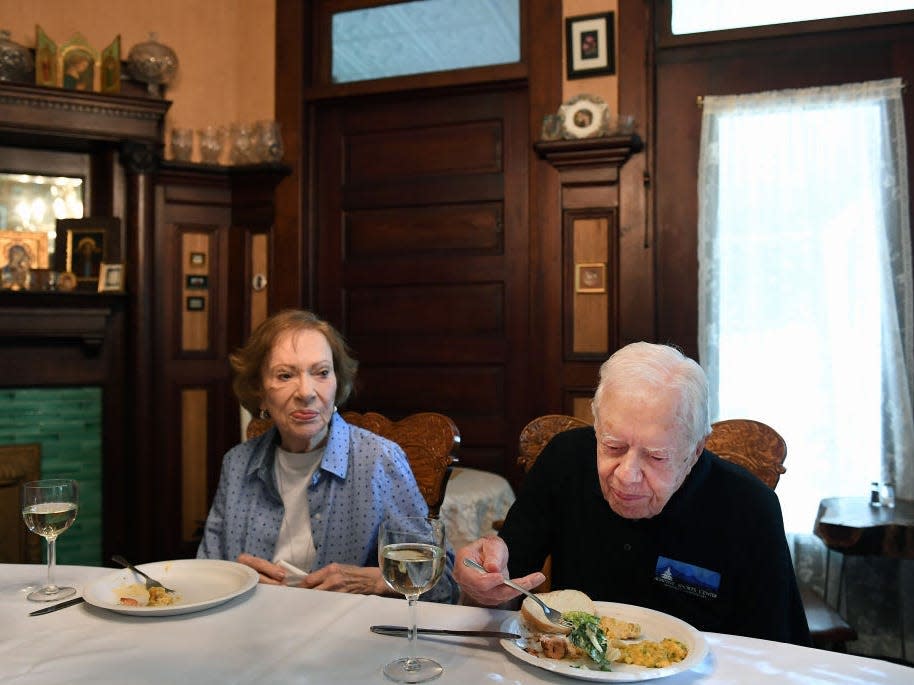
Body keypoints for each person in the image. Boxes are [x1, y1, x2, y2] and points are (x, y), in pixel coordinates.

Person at [455, 342, 811, 646]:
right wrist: (480, 582)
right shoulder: (565, 460)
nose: (627, 476)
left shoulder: (749, 507)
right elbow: (503, 586)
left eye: (656, 457)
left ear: (695, 450)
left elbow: (777, 650)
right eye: (612, 446)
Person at [198, 309, 458, 603]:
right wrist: (235, 580)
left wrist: (377, 581)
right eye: (285, 375)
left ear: (338, 382)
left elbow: (444, 584)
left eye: (321, 373)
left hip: (350, 635)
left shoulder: (379, 461)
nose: (306, 392)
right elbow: (205, 572)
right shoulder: (237, 464)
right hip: (253, 630)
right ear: (259, 391)